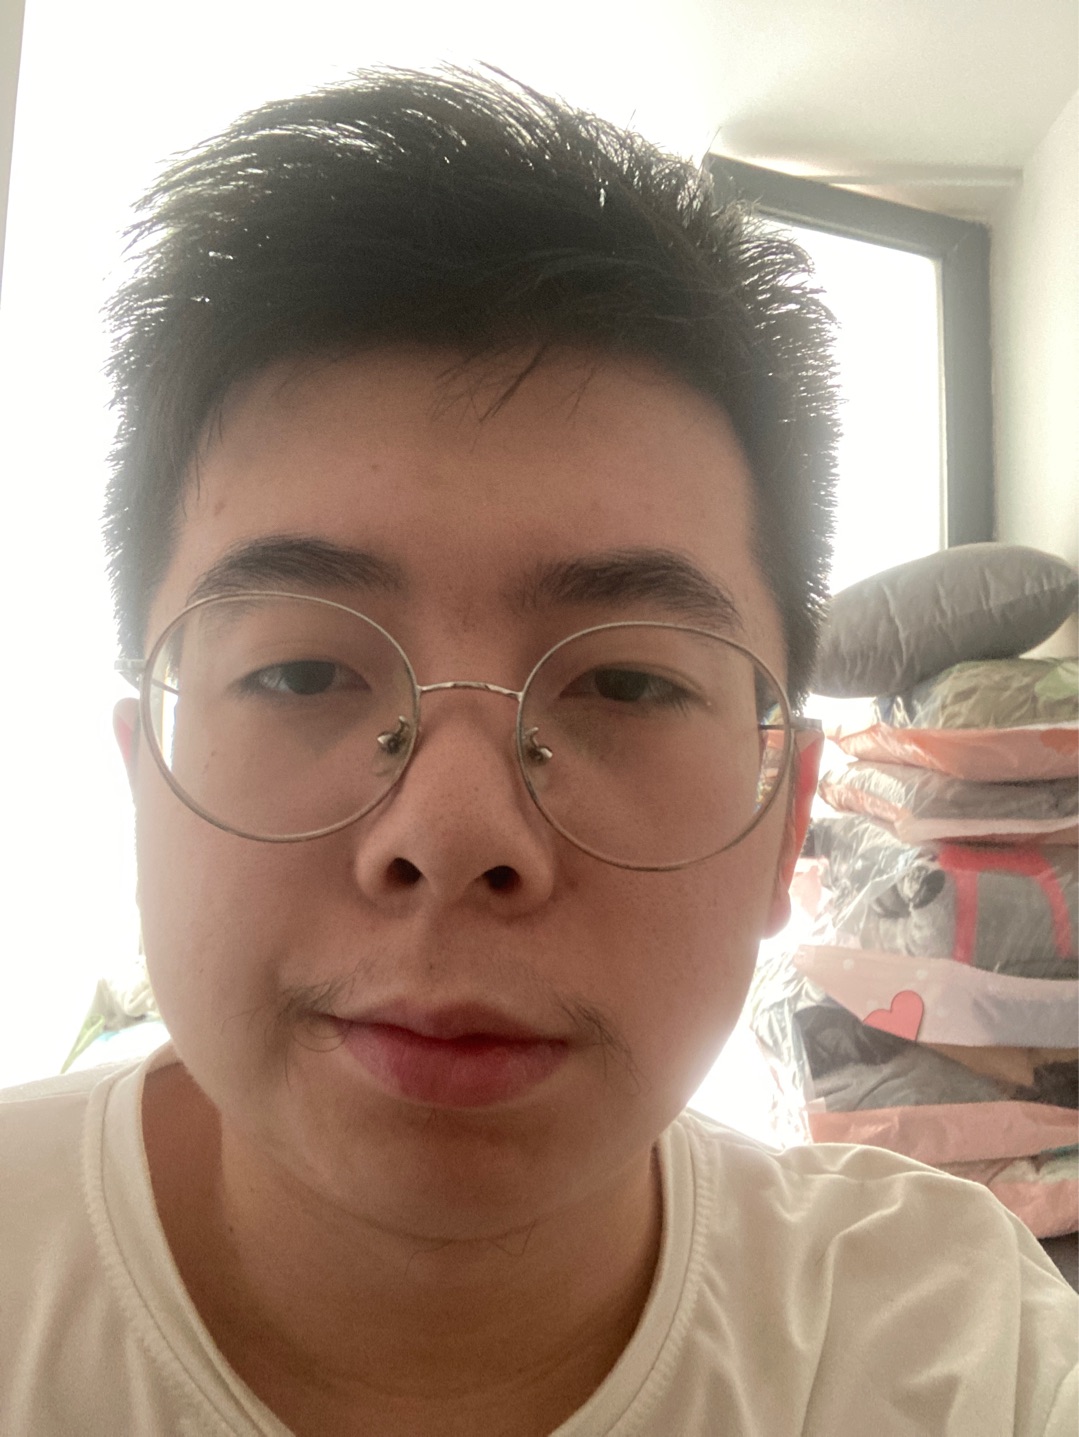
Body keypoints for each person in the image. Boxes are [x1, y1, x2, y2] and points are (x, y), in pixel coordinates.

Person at [1, 67, 1075, 1437]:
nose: (453, 832)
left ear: (786, 822)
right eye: (301, 671)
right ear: (143, 782)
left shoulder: (961, 1352)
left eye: (626, 682)